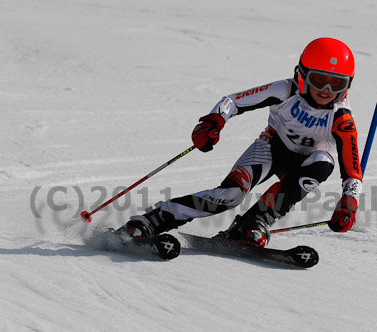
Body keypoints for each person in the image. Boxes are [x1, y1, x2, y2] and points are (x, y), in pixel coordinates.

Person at [119, 37, 363, 248]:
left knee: (323, 162)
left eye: (337, 83)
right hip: (272, 148)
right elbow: (233, 101)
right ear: (302, 74)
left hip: (309, 162)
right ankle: (154, 220)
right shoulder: (286, 90)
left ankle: (254, 222)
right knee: (230, 195)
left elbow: (353, 172)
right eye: (319, 80)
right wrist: (212, 123)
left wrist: (349, 203)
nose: (327, 90)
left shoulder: (341, 119)